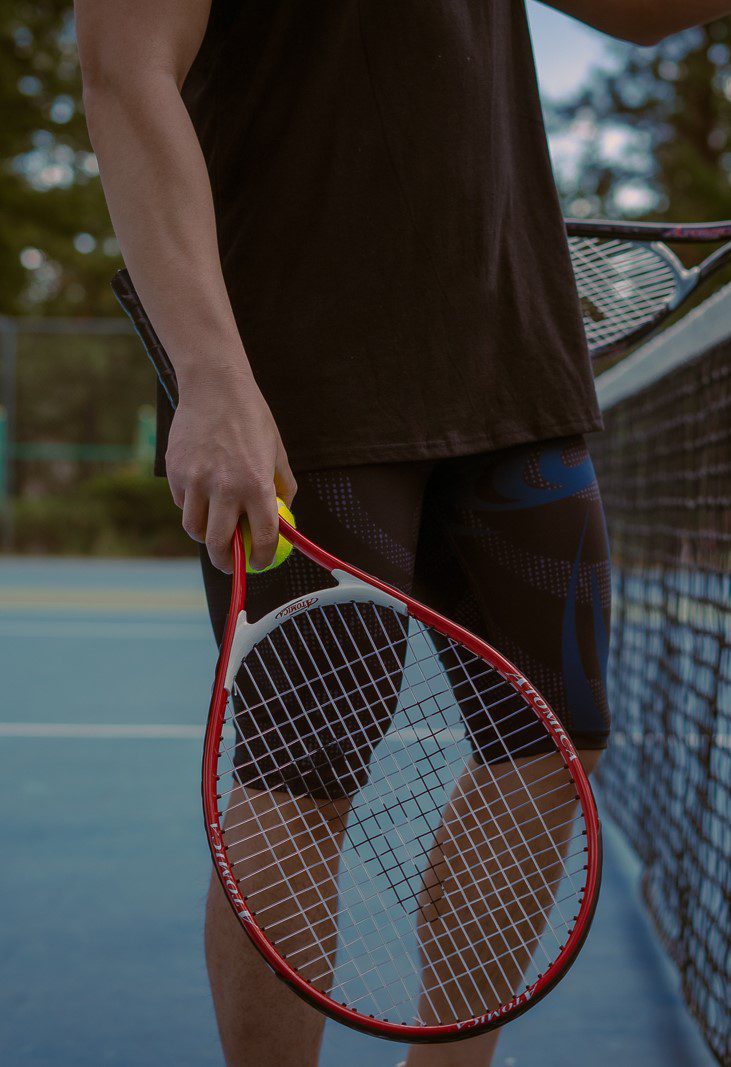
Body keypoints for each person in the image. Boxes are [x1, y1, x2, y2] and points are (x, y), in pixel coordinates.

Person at [77, 3, 730, 1065]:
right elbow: (122, 71)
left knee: (557, 740)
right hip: (305, 364)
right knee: (306, 766)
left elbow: (638, 14)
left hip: (512, 353)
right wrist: (209, 374)